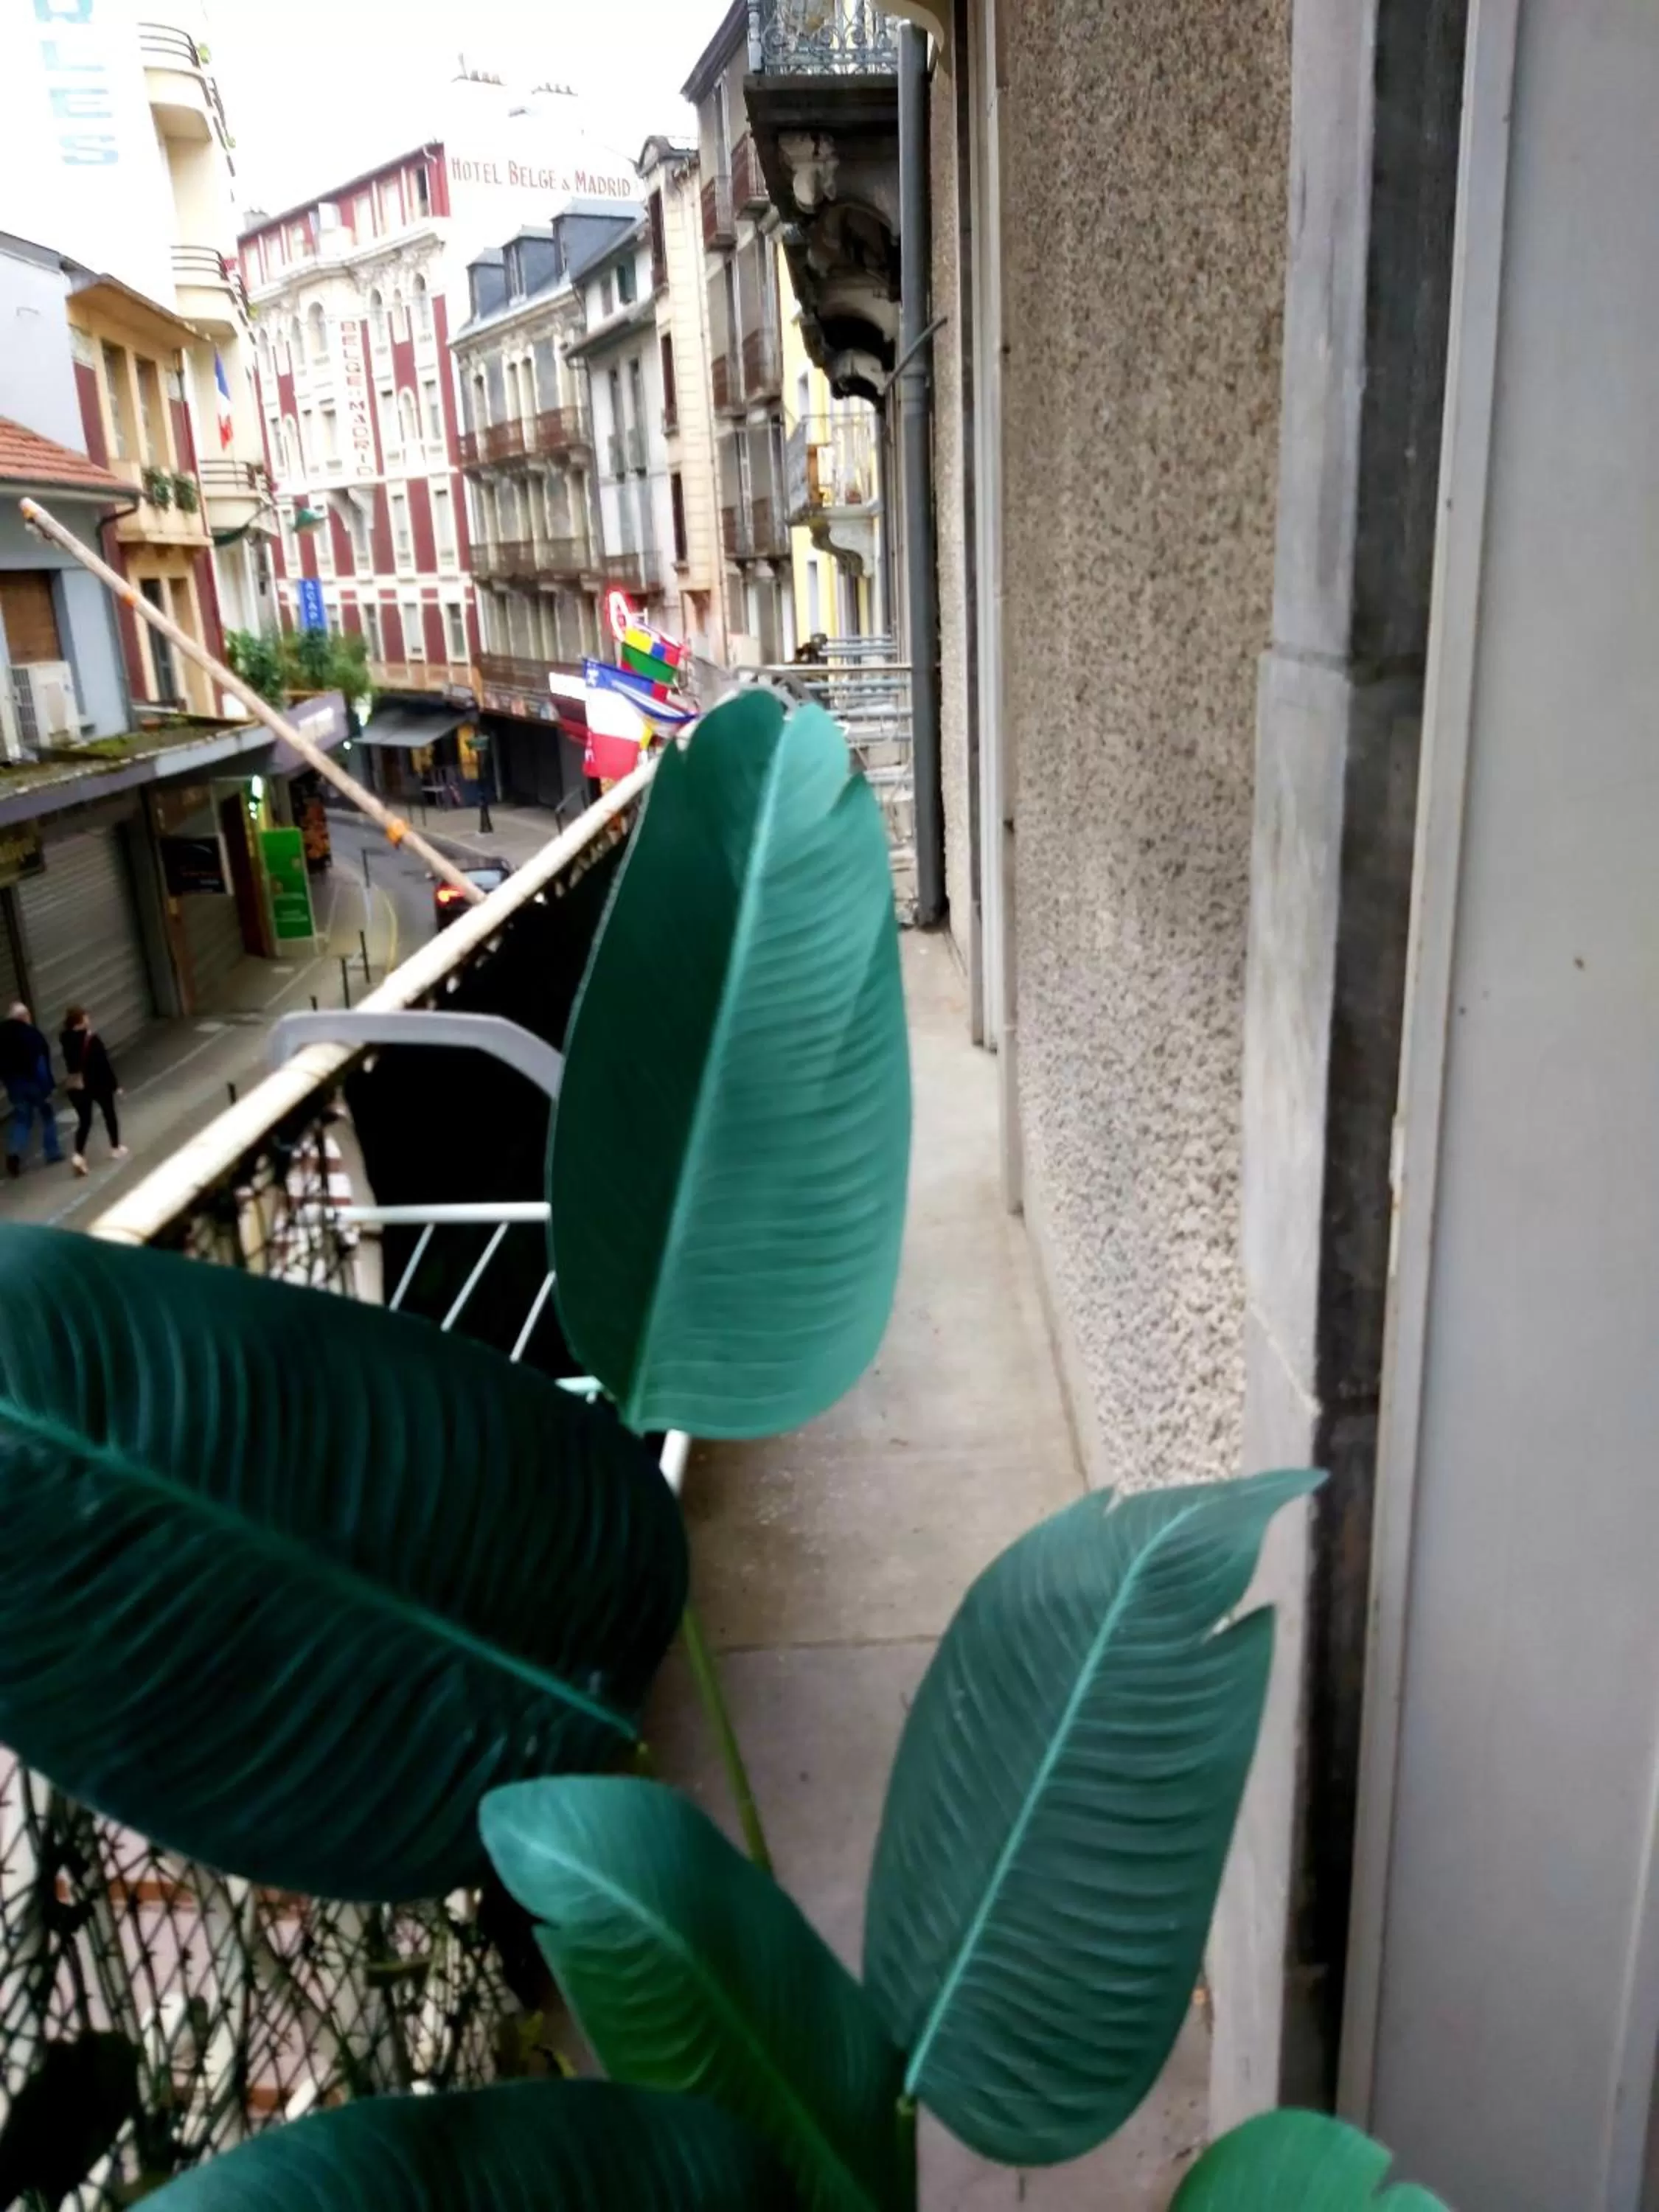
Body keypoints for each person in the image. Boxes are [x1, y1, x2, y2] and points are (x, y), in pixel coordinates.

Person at [59, 1005, 127, 1176]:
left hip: (78, 1087)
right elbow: (104, 1063)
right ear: (80, 1021)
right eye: (86, 1017)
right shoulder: (92, 1039)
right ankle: (115, 1147)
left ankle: (78, 1155)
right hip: (99, 1084)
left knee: (85, 1121)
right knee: (109, 1114)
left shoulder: (66, 1040)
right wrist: (115, 1085)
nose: (89, 1019)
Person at [1, 1000, 63, 1178]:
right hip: (35, 1084)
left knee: (22, 1120)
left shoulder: (2, 1037)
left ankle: (14, 1152)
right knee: (48, 1115)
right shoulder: (31, 1035)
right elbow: (40, 1065)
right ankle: (52, 1152)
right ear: (23, 1017)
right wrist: (48, 1088)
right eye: (28, 1015)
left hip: (14, 1086)